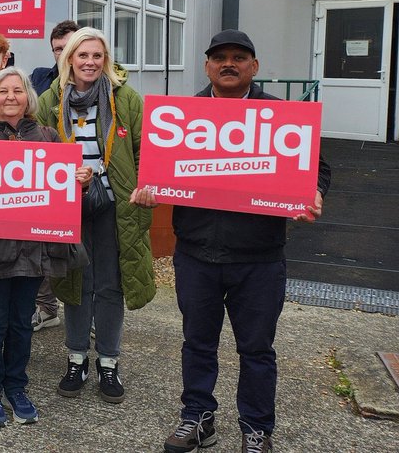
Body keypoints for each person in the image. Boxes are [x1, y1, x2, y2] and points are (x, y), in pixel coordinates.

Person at [133, 30, 330, 453]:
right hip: (197, 254)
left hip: (259, 259)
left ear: (254, 67)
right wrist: (148, 188)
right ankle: (197, 418)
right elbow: (153, 170)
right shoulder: (181, 117)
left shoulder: (282, 117)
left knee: (257, 349)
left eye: (239, 57)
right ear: (207, 66)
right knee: (197, 343)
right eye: (219, 57)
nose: (229, 63)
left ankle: (256, 428)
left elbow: (318, 168)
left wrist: (313, 191)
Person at [0, 67, 82, 427]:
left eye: (18, 90)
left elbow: (61, 193)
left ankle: (17, 387)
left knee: (22, 324)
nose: (11, 97)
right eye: (3, 91)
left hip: (33, 250)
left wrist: (79, 182)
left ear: (29, 96)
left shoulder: (48, 136)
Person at [36, 26, 154, 405]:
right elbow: (35, 152)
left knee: (110, 283)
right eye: (82, 55)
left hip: (115, 204)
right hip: (66, 204)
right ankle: (75, 358)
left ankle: (108, 360)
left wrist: (146, 186)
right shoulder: (49, 100)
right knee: (74, 281)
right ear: (68, 58)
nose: (89, 62)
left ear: (106, 61)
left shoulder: (127, 99)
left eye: (97, 56)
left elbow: (144, 151)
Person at [28, 20, 80, 333]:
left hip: (86, 179)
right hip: (48, 175)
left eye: (70, 48)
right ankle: (47, 308)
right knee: (45, 245)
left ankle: (83, 313)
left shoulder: (105, 85)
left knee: (81, 252)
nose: (64, 55)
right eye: (58, 49)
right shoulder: (41, 79)